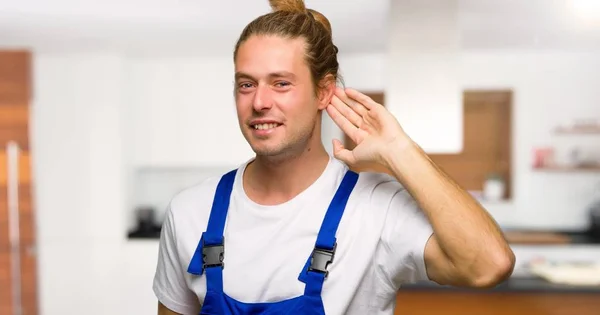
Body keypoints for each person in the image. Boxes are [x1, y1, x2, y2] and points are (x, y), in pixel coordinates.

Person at [153, 0, 515, 314]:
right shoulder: (190, 211)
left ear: (324, 92)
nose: (260, 102)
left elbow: (488, 265)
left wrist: (399, 150)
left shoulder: (376, 208)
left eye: (281, 83)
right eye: (246, 84)